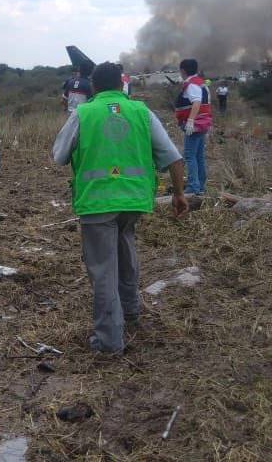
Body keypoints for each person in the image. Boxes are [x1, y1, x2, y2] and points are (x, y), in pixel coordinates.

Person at [52, 62, 188, 354]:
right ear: (121, 84)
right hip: (135, 201)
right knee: (126, 251)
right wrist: (179, 194)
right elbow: (173, 158)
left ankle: (109, 341)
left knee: (103, 271)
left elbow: (59, 156)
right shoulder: (141, 112)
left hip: (97, 202)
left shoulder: (83, 113)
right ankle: (131, 312)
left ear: (94, 86)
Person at [174, 59, 213, 196]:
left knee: (190, 156)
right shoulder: (201, 83)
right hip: (203, 123)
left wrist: (190, 121)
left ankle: (193, 187)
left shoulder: (191, 85)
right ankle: (200, 186)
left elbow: (196, 102)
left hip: (195, 125)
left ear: (183, 70)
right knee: (199, 156)